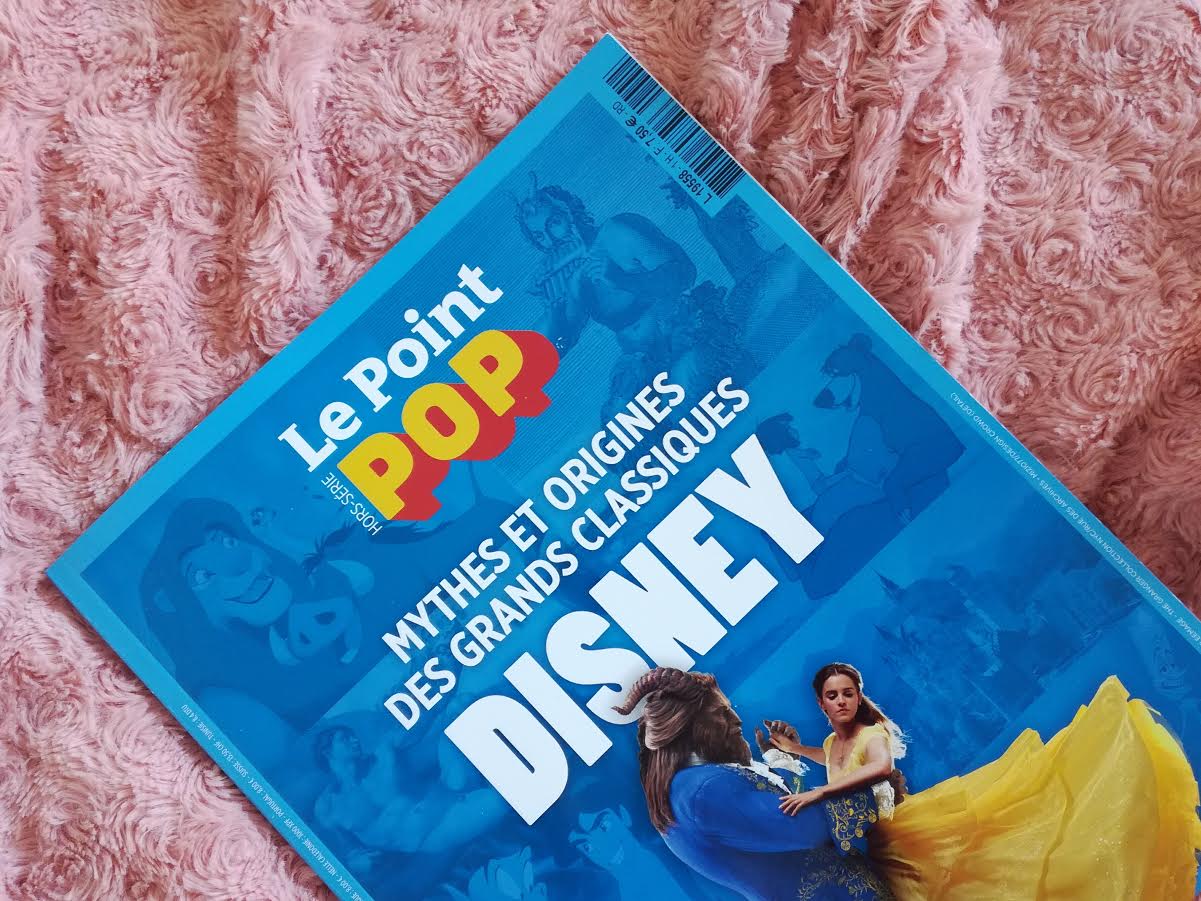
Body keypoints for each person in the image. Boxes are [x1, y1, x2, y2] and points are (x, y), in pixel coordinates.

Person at [765, 662, 1201, 899]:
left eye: (848, 693)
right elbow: (829, 759)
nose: (842, 701)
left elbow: (878, 768)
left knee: (993, 869)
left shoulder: (870, 734)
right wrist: (793, 749)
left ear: (859, 697)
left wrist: (820, 792)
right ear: (822, 704)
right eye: (832, 695)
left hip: (903, 832)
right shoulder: (831, 743)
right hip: (876, 849)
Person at [613, 667, 895, 901]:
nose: (736, 720)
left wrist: (784, 759)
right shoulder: (704, 790)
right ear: (688, 727)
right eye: (721, 712)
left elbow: (783, 816)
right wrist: (875, 791)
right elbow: (807, 827)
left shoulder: (689, 788)